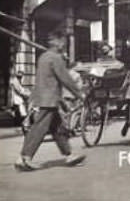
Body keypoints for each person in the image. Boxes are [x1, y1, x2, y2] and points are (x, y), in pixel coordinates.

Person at [15, 31, 85, 171]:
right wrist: (79, 94)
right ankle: (25, 157)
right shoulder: (55, 58)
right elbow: (65, 79)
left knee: (58, 129)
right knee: (39, 129)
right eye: (62, 41)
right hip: (48, 99)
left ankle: (69, 154)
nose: (64, 44)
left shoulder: (43, 57)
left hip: (45, 97)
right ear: (56, 42)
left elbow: (45, 80)